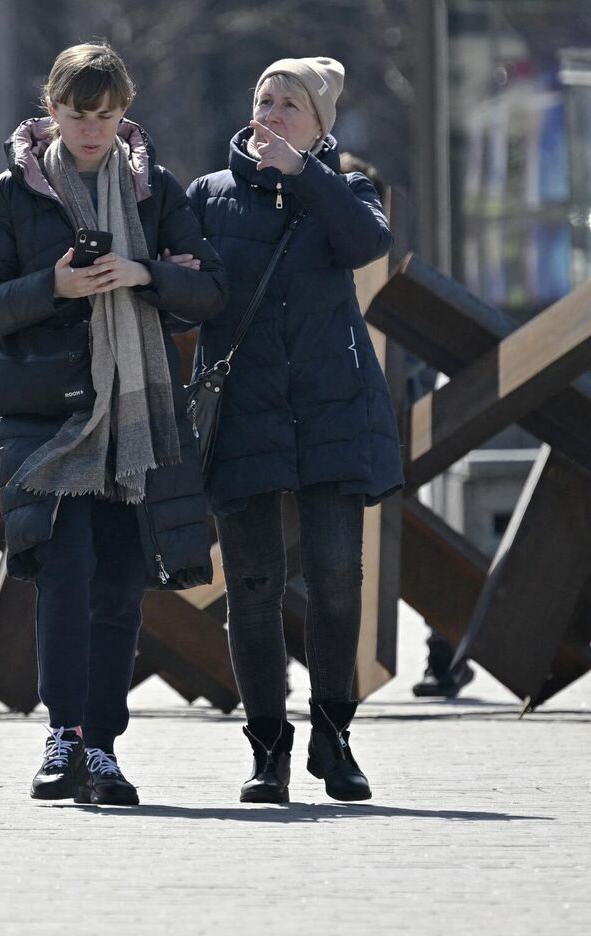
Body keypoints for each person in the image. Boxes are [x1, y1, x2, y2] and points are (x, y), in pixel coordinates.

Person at [0, 43, 227, 806]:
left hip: (136, 413)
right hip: (46, 414)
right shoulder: (13, 192)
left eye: (106, 115)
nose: (91, 130)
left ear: (123, 112)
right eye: (78, 114)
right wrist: (55, 284)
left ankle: (103, 749)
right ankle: (63, 736)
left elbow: (210, 291)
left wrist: (146, 274)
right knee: (63, 568)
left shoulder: (153, 190)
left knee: (118, 581)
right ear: (51, 108)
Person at [187, 56, 403, 803]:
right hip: (245, 412)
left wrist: (303, 176)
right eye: (263, 100)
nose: (271, 115)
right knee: (252, 586)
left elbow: (367, 244)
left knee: (339, 580)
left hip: (331, 410)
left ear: (319, 125)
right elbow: (189, 296)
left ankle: (333, 737)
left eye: (289, 105)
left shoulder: (344, 191)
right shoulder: (209, 196)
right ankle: (267, 749)